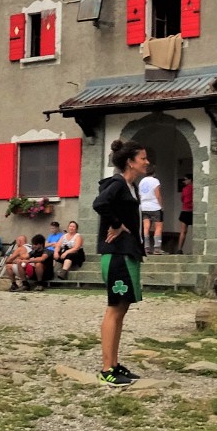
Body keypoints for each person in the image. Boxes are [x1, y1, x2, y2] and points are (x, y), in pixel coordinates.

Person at [93, 139, 149, 386]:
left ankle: (115, 364)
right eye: (143, 158)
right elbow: (100, 204)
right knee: (114, 309)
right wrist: (116, 224)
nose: (147, 162)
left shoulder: (130, 186)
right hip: (117, 255)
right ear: (130, 162)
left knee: (122, 309)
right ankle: (107, 369)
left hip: (128, 253)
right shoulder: (117, 183)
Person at [137, 168, 164, 255]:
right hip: (154, 206)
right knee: (158, 226)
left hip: (144, 207)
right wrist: (161, 206)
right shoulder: (155, 181)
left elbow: (140, 195)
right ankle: (157, 247)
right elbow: (158, 194)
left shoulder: (141, 181)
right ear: (154, 172)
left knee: (146, 227)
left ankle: (146, 247)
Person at [176, 174, 194, 253]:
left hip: (186, 210)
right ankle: (180, 249)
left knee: (183, 231)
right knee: (185, 231)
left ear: (191, 180)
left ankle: (180, 249)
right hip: (190, 210)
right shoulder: (193, 188)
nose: (185, 181)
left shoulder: (185, 189)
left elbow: (182, 199)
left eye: (186, 179)